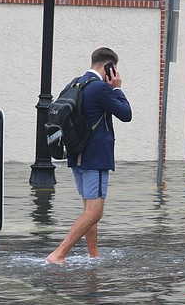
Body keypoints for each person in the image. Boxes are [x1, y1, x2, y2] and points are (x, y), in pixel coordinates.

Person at [46, 47, 132, 264]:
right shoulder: (100, 89)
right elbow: (126, 114)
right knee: (95, 212)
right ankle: (59, 254)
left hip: (77, 155)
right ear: (108, 67)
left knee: (89, 210)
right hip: (95, 158)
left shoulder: (74, 84)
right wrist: (117, 89)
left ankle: (93, 256)